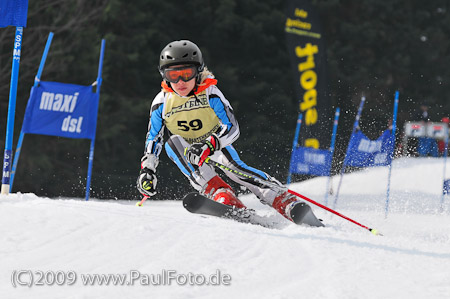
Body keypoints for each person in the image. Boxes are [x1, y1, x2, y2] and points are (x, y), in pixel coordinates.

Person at [136, 40, 301, 221]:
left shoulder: (210, 92)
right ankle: (220, 192)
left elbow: (232, 128)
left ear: (198, 71)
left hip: (214, 144)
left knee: (235, 170)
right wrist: (148, 170)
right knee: (171, 143)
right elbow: (154, 138)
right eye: (173, 75)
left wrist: (211, 143)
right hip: (189, 152)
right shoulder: (162, 102)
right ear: (164, 75)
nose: (180, 82)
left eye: (186, 74)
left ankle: (281, 199)